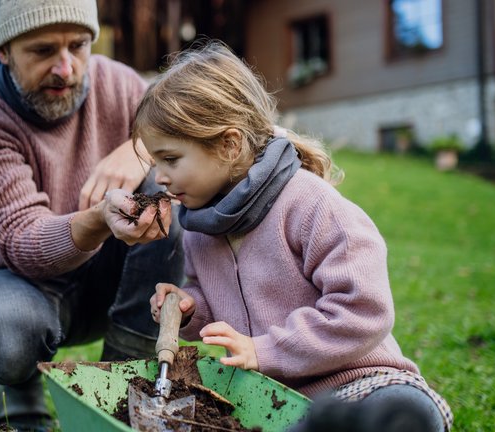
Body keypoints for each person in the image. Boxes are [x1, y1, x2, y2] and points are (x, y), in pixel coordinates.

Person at [139, 41, 453, 432]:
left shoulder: (308, 204)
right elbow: (217, 299)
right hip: (276, 401)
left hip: (361, 382)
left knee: (405, 408)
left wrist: (265, 350)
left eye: (170, 159)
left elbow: (365, 308)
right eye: (155, 162)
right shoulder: (200, 227)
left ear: (229, 144)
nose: (160, 177)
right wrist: (191, 307)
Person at [0, 0, 184, 430]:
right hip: (17, 281)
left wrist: (141, 150)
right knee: (9, 339)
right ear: (3, 51)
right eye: (42, 50)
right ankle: (23, 392)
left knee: (162, 200)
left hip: (114, 281)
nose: (66, 68)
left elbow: (189, 134)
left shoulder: (122, 85)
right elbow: (23, 243)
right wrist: (98, 218)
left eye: (78, 45)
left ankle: (121, 390)